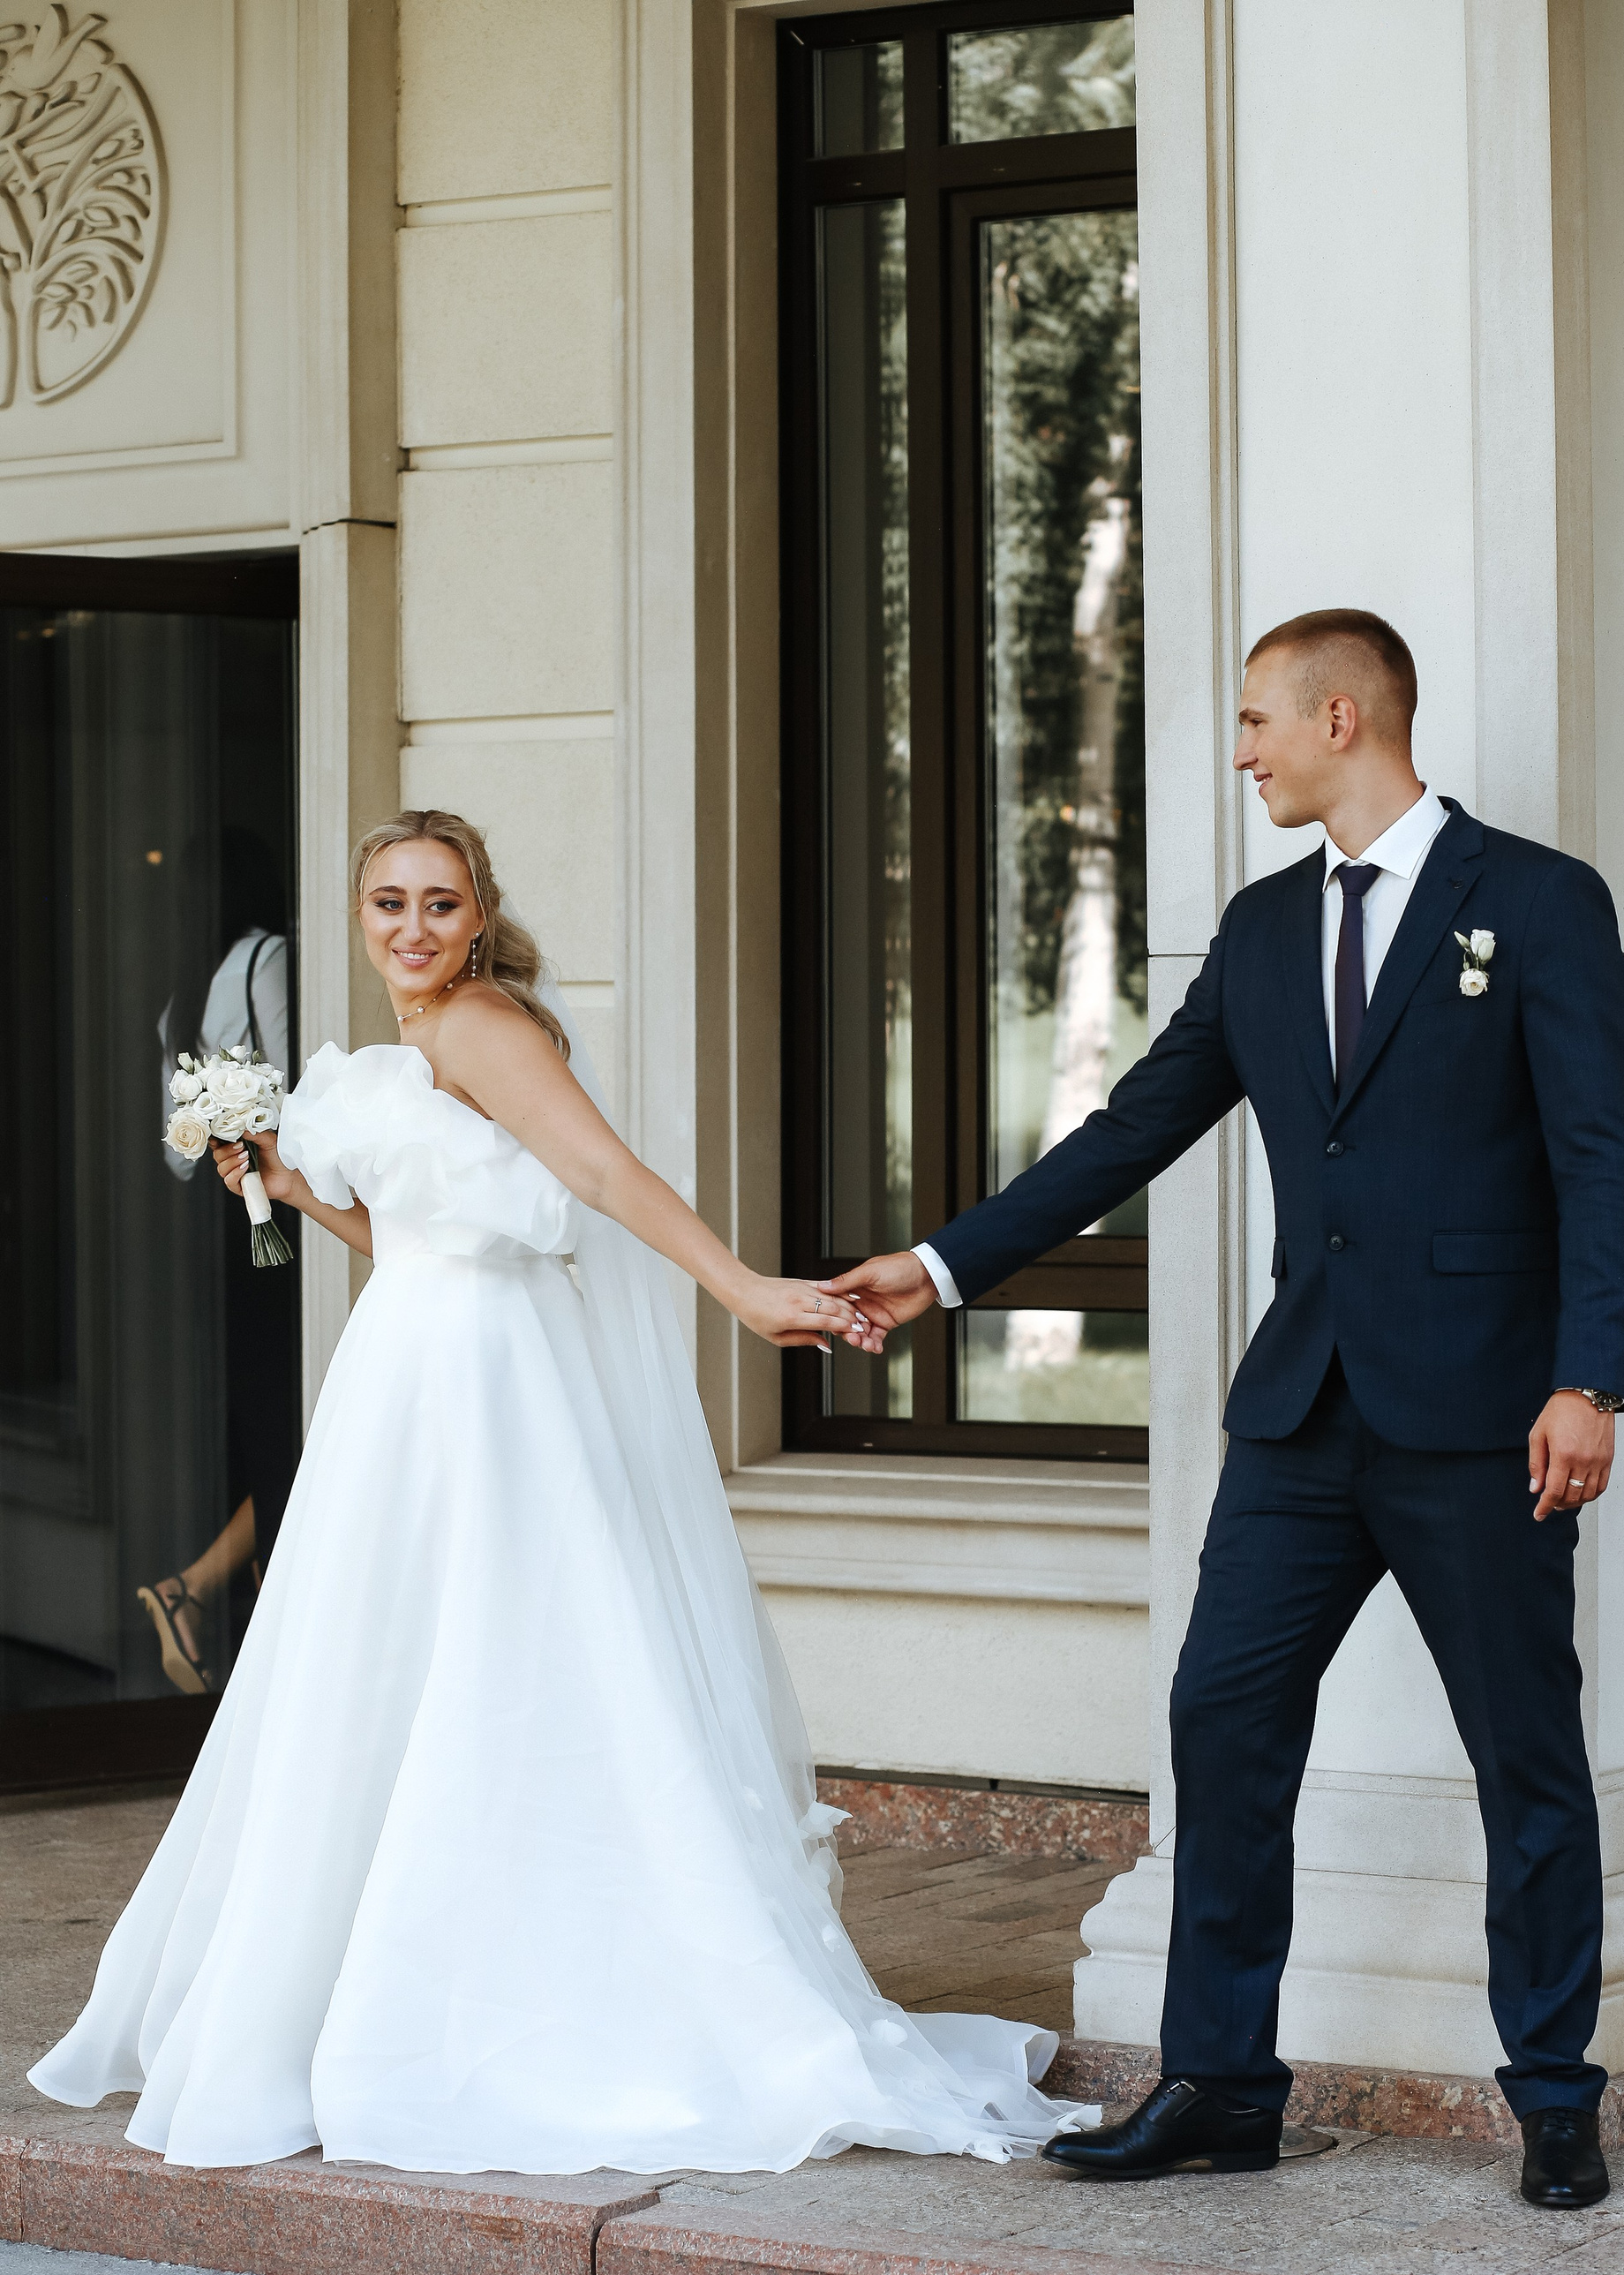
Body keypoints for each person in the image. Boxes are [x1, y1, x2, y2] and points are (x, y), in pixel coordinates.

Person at [29, 811, 1092, 2175]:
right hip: (403, 1375)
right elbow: (418, 1236)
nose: (414, 928)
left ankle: (518, 1999)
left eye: (440, 902)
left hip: (489, 1382)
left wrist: (742, 1290)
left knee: (506, 1660)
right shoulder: (410, 1042)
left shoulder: (482, 1025)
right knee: (389, 1671)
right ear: (358, 915)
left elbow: (598, 1175)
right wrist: (292, 1185)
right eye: (390, 903)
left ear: (479, 914)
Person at [824, 609, 1624, 2212]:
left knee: (1525, 1756)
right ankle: (1219, 2087)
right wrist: (939, 1267)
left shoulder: (1539, 901)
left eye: (1259, 720)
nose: (1242, 751)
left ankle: (1555, 2096)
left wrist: (1588, 1376)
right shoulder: (1264, 931)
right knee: (1222, 1720)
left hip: (1486, 1415)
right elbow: (1128, 1131)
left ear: (1343, 718)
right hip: (1300, 1416)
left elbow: (1600, 1155)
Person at [140, 831, 297, 1695]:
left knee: (270, 1423)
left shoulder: (179, 997)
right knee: (287, 1425)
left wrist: (212, 1126)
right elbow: (296, 1092)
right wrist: (254, 1126)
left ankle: (197, 1591)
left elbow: (176, 1155)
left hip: (221, 1234)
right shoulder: (264, 958)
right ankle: (264, 1633)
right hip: (280, 1220)